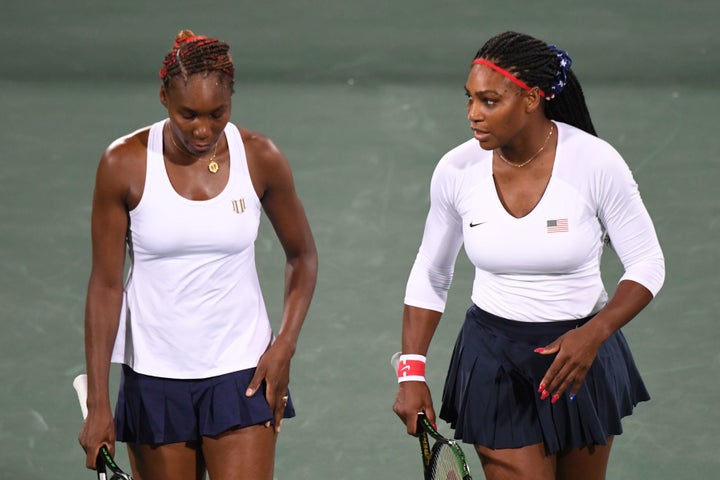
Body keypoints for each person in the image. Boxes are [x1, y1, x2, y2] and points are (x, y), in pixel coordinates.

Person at [392, 31, 665, 480]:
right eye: (469, 99)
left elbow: (647, 263)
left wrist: (593, 335)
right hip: (493, 358)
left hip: (580, 357)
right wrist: (411, 370)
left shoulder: (596, 163)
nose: (473, 115)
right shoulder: (456, 170)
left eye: (489, 101)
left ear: (532, 99)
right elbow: (431, 272)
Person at [78, 29, 318, 480]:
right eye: (189, 114)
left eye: (218, 114)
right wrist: (98, 404)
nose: (204, 130)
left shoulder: (260, 157)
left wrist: (283, 345)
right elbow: (106, 286)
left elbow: (303, 256)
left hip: (242, 374)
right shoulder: (123, 164)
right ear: (164, 96)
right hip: (154, 377)